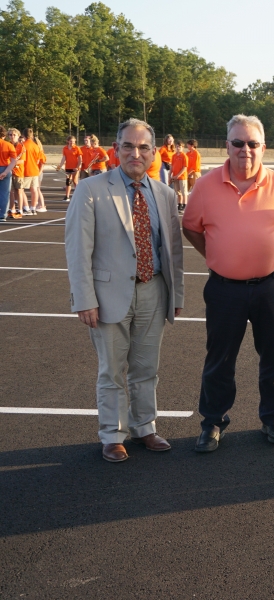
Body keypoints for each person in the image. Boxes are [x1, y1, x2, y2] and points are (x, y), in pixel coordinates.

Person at [64, 118, 185, 463]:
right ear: (115, 150)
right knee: (112, 370)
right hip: (106, 297)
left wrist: (175, 296)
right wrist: (83, 298)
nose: (136, 153)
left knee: (146, 367)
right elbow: (77, 249)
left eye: (143, 147)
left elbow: (172, 251)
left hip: (153, 291)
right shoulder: (91, 189)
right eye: (128, 146)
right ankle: (113, 435)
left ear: (153, 153)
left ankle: (145, 427)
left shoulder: (163, 193)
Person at [182, 115, 274, 453]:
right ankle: (213, 421)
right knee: (220, 358)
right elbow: (191, 228)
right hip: (224, 289)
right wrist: (220, 256)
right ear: (227, 145)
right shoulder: (205, 186)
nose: (245, 150)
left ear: (263, 148)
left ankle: (273, 418)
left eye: (252, 144)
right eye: (238, 143)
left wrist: (269, 258)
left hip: (270, 287)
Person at [0, 127, 19, 221]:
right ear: (4, 135)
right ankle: (3, 214)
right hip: (5, 167)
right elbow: (13, 161)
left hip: (4, 167)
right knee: (4, 193)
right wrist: (5, 172)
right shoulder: (8, 145)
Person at [56, 135, 82, 201]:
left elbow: (80, 159)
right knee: (68, 181)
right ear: (68, 141)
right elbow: (64, 158)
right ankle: (67, 196)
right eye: (71, 141)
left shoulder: (77, 148)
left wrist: (78, 167)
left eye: (73, 141)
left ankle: (79, 195)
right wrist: (60, 166)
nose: (72, 143)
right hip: (68, 167)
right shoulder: (65, 148)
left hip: (75, 167)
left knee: (75, 181)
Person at [170, 140, 188, 212]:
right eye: (177, 146)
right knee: (178, 192)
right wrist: (170, 174)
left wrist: (178, 175)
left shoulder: (184, 156)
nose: (178, 148)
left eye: (180, 147)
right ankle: (179, 204)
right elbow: (172, 166)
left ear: (182, 147)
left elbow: (185, 167)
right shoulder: (174, 156)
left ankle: (185, 204)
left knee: (184, 192)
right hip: (175, 177)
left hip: (182, 177)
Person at [31, 136, 47, 212]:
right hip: (35, 172)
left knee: (37, 189)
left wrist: (39, 173)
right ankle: (39, 204)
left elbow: (42, 165)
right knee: (36, 189)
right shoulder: (36, 152)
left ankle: (42, 205)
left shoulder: (40, 153)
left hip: (38, 173)